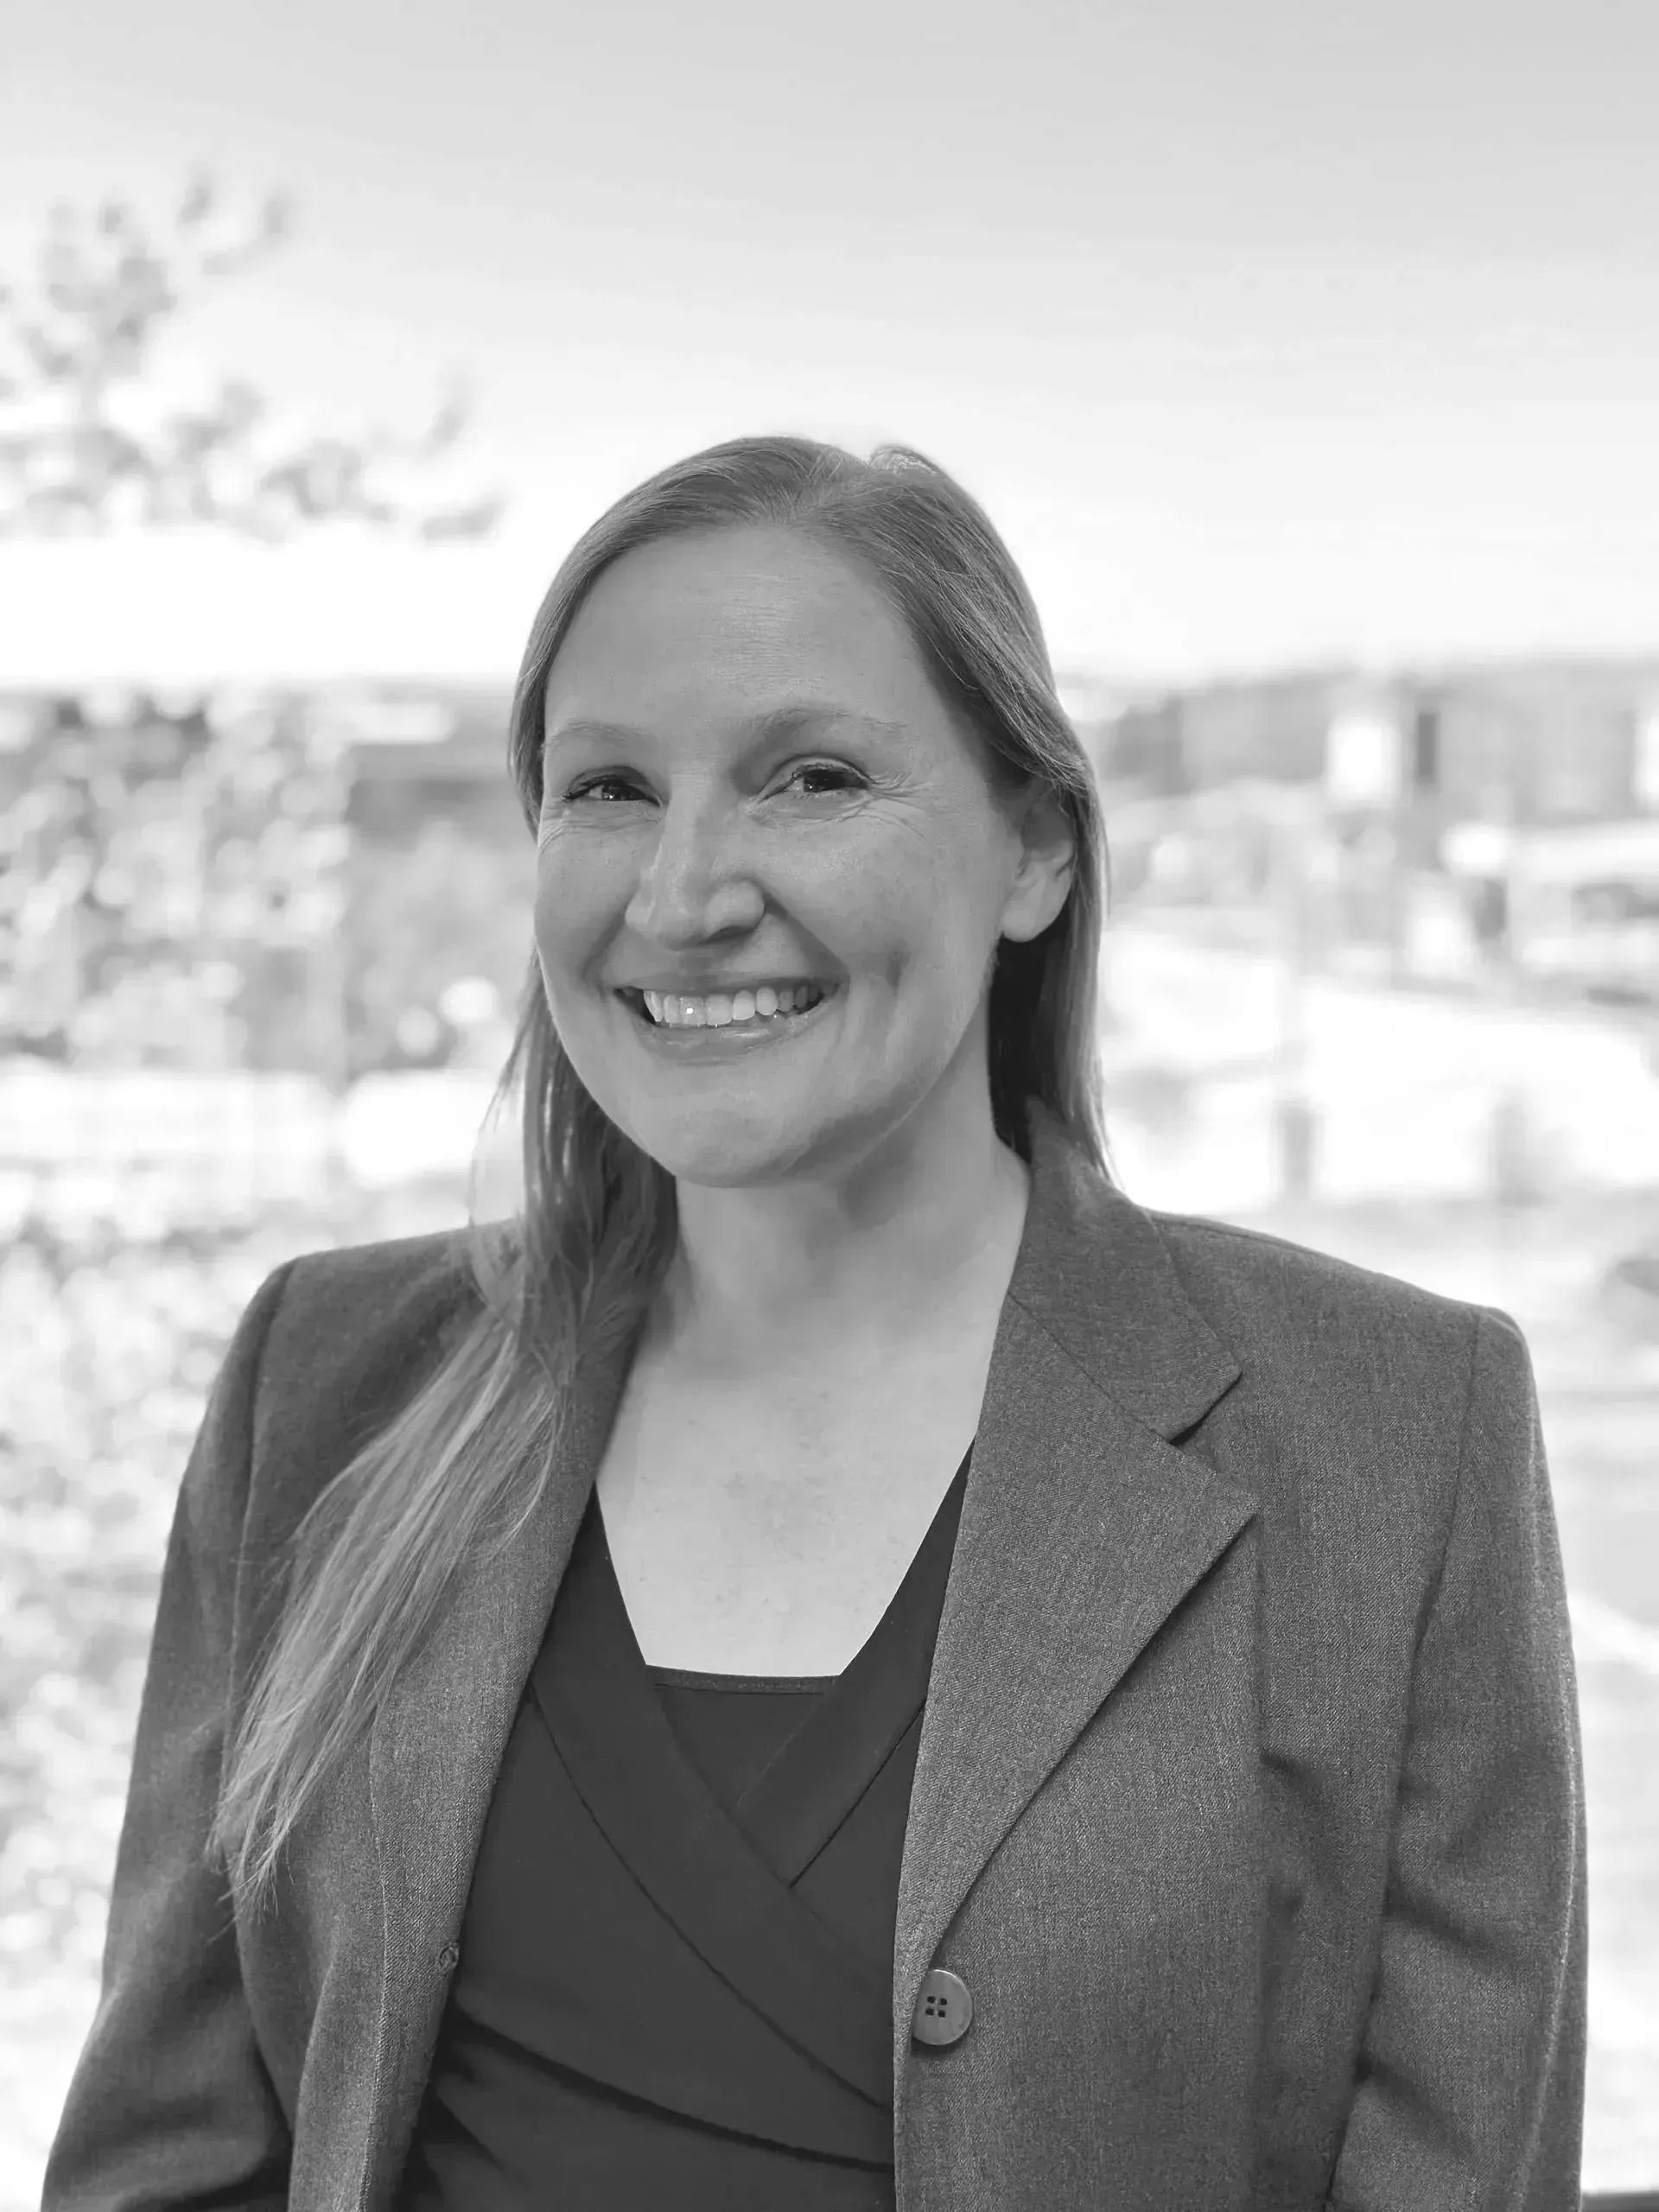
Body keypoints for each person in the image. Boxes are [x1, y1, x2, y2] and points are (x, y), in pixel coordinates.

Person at [43, 436, 1586, 2211]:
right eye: (608, 787)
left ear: (1036, 852)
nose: (686, 894)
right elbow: (163, 2163)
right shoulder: (324, 1386)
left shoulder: (1398, 1432)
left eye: (812, 777)